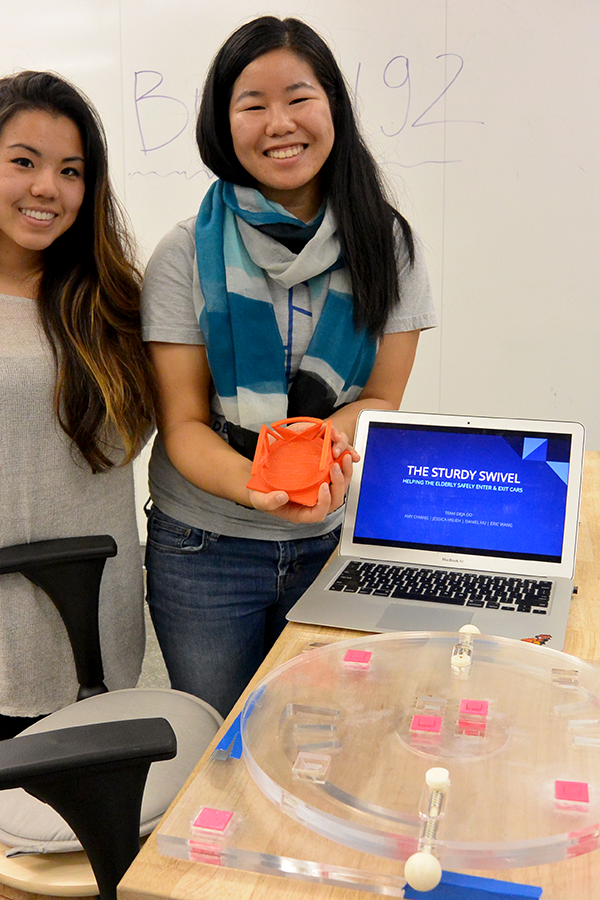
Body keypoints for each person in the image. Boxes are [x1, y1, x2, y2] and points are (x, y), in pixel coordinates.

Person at [142, 16, 437, 717]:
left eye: (298, 97)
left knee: (319, 739)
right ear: (224, 122)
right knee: (218, 742)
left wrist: (312, 469)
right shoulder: (184, 252)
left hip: (329, 540)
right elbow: (182, 424)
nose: (279, 122)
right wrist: (263, 487)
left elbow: (380, 399)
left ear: (332, 104)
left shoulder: (385, 243)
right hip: (203, 549)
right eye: (251, 104)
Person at [0, 71, 156, 743]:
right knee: (24, 817)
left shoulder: (112, 300)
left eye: (71, 170)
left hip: (103, 598)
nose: (48, 187)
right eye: (24, 161)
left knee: (104, 795)